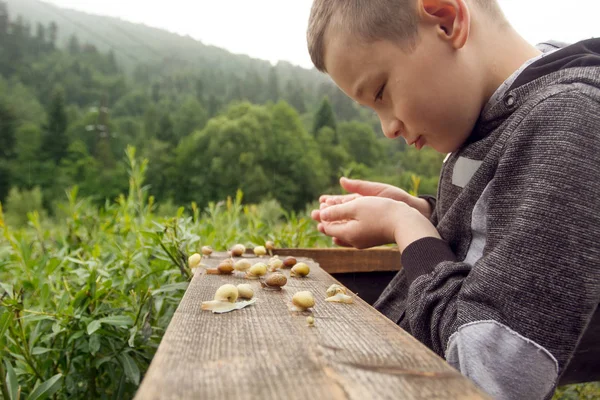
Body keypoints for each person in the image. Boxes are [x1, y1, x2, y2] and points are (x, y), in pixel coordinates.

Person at [306, 0, 600, 398]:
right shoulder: (495, 116)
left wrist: (406, 227)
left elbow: (487, 373)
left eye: (380, 92)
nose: (388, 128)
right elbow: (498, 225)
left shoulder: (567, 120)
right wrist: (428, 212)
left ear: (446, 21)